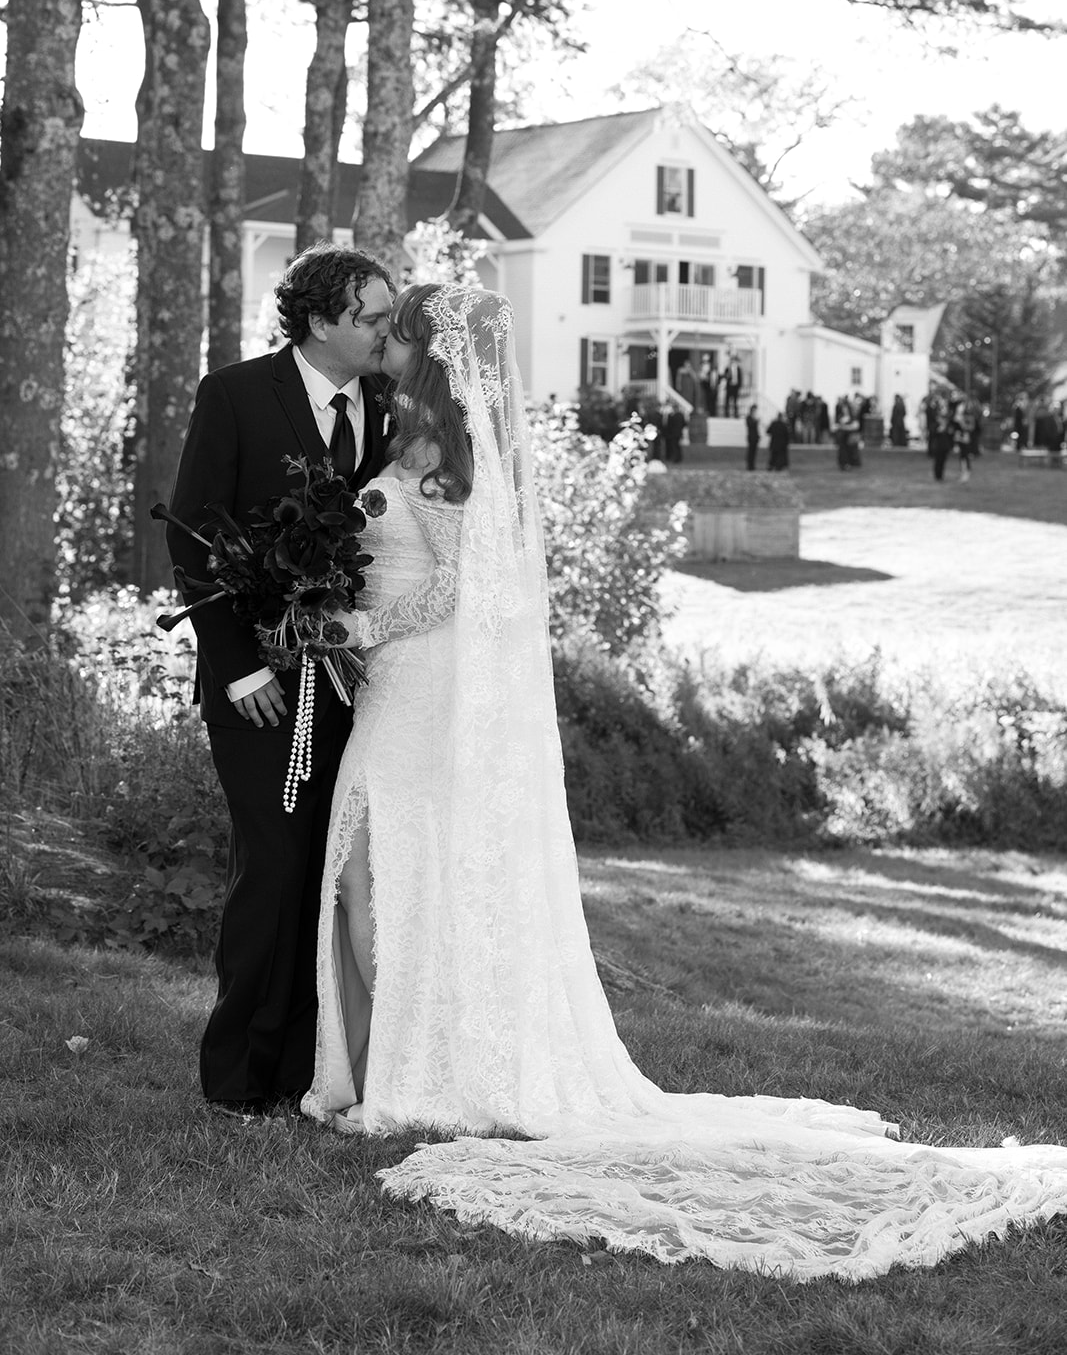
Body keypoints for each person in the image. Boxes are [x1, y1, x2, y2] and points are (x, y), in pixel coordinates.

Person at [298, 279, 1067, 1279]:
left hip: (421, 681)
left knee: (378, 871)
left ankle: (405, 1071)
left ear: (424, 351)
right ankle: (380, 1065)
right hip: (391, 685)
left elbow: (449, 584)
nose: (382, 342)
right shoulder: (392, 439)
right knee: (367, 869)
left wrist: (355, 625)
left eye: (395, 332)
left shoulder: (446, 453)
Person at [166, 242, 395, 1115]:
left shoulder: (385, 404)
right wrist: (237, 671)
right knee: (271, 868)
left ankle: (307, 1068)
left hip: (351, 687)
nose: (384, 331)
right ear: (319, 322)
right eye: (372, 318)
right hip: (258, 688)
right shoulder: (234, 393)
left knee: (329, 876)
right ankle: (234, 1079)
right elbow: (190, 534)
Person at [723, 351, 743, 417]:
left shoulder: (739, 369)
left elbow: (740, 378)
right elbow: (725, 376)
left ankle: (735, 414)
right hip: (729, 387)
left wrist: (739, 387)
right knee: (727, 401)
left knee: (735, 402)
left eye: (734, 360)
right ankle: (726, 414)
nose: (733, 362)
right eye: (732, 360)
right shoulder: (728, 368)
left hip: (735, 387)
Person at [745, 403, 760, 471]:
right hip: (751, 437)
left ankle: (752, 465)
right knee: (750, 452)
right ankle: (749, 465)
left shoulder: (754, 418)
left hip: (755, 437)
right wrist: (755, 421)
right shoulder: (749, 417)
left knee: (754, 452)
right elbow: (750, 425)